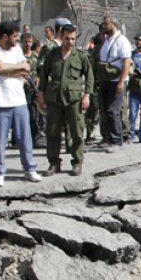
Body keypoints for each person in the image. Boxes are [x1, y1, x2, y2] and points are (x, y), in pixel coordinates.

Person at [0, 21, 41, 186]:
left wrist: (17, 68)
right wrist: (18, 69)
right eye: (15, 36)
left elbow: (27, 67)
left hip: (19, 100)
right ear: (5, 36)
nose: (18, 40)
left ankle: (30, 169)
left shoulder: (17, 49)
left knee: (24, 137)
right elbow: (0, 69)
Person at [37, 24, 94, 177]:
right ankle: (54, 163)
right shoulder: (52, 55)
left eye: (73, 38)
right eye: (67, 38)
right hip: (54, 99)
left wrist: (87, 95)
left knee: (77, 133)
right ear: (61, 37)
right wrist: (41, 96)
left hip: (74, 100)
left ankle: (77, 162)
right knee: (53, 133)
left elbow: (89, 76)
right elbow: (43, 77)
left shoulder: (80, 56)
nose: (70, 41)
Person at [96, 15, 131, 153]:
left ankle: (117, 140)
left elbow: (126, 61)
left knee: (113, 111)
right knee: (105, 110)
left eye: (106, 24)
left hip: (116, 80)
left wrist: (121, 81)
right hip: (106, 80)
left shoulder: (122, 41)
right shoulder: (107, 41)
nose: (103, 26)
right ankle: (109, 138)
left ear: (114, 25)